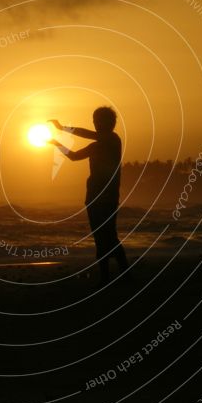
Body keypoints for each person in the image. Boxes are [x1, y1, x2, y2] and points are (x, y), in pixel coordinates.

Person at [49, 107, 129, 285]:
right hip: (93, 196)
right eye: (94, 119)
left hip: (106, 197)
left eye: (97, 120)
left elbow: (88, 134)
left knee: (109, 236)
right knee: (101, 237)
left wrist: (63, 128)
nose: (95, 123)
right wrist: (57, 143)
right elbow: (75, 156)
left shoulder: (112, 139)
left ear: (109, 122)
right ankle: (107, 276)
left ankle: (122, 273)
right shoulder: (96, 145)